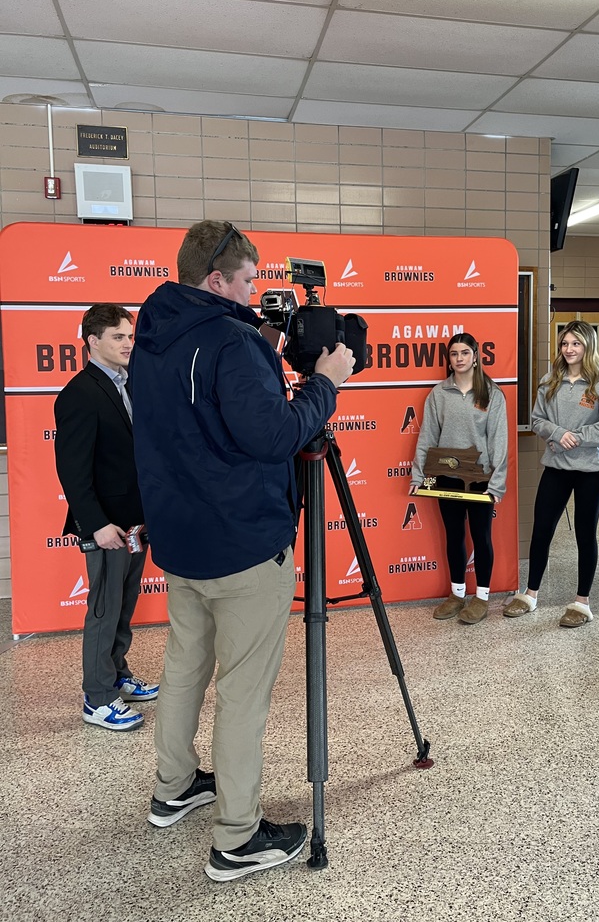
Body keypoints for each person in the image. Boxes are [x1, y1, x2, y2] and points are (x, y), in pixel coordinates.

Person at [130, 220, 354, 882]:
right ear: (219, 280)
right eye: (251, 280)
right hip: (242, 543)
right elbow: (273, 433)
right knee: (242, 692)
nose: (260, 293)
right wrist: (325, 382)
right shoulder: (230, 342)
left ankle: (173, 787)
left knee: (184, 668)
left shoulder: (155, 328)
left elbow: (200, 412)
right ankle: (237, 838)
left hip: (182, 540)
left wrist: (259, 351)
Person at [54, 304, 158, 732]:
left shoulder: (131, 385)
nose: (128, 344)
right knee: (102, 609)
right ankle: (97, 698)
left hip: (136, 520)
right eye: (119, 337)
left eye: (130, 336)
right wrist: (95, 523)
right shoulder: (79, 393)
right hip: (107, 526)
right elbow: (72, 470)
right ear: (93, 341)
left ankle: (116, 674)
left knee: (123, 604)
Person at [504, 319, 599, 627]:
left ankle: (581, 603)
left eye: (575, 344)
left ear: (588, 346)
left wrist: (578, 436)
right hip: (556, 468)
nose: (569, 349)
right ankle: (530, 594)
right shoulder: (549, 380)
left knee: (585, 534)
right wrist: (558, 432)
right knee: (542, 530)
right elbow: (537, 419)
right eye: (564, 344)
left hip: (591, 472)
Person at [409, 333, 508, 625]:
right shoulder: (438, 394)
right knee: (454, 536)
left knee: (481, 537)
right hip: (446, 478)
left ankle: (482, 598)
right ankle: (457, 594)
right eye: (454, 354)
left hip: (480, 480)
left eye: (465, 352)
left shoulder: (492, 394)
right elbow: (427, 437)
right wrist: (418, 475)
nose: (460, 358)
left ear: (476, 356)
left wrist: (496, 483)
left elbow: (499, 441)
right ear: (449, 359)